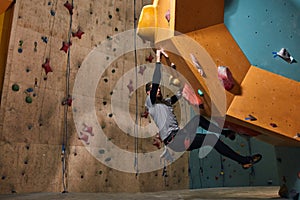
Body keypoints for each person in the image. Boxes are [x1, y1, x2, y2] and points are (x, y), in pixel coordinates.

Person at [145, 49, 262, 169]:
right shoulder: (150, 103)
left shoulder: (165, 102)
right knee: (212, 140)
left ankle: (225, 133)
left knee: (199, 119)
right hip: (175, 140)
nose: (158, 89)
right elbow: (156, 81)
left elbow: (179, 94)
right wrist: (158, 58)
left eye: (159, 88)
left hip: (179, 134)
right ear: (149, 93)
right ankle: (243, 161)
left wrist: (185, 81)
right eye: (155, 89)